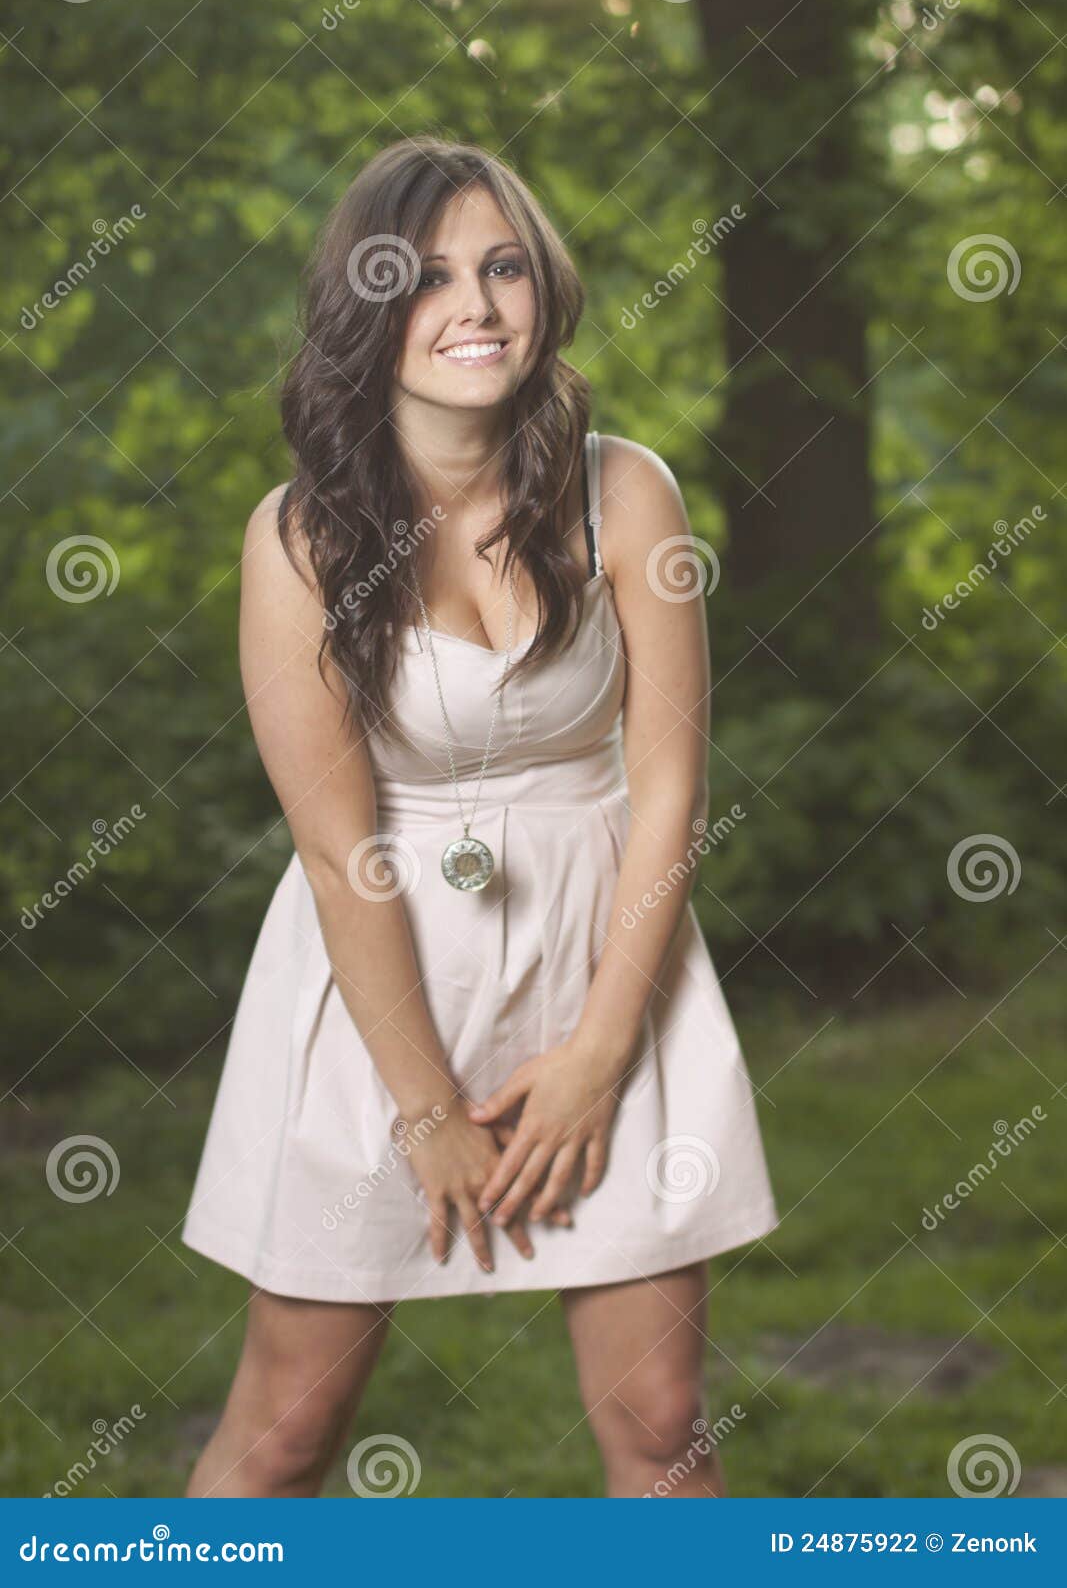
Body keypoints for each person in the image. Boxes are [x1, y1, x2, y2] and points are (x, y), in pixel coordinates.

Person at [181, 136, 779, 1499]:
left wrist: (599, 1050)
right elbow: (340, 845)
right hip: (379, 989)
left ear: (544, 288)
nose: (479, 306)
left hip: (607, 951)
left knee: (660, 1416)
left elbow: (674, 787)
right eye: (430, 276)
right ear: (364, 310)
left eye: (504, 267)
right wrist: (424, 1110)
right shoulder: (300, 541)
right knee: (286, 1425)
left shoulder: (628, 493)